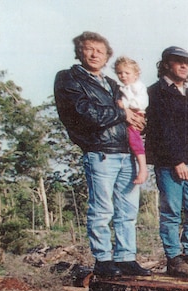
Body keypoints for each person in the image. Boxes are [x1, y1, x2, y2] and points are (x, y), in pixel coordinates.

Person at [54, 31, 151, 277]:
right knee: (102, 209)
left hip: (127, 152)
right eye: (89, 49)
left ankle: (126, 257)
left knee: (128, 210)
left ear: (107, 55)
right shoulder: (70, 79)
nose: (95, 54)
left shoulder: (113, 83)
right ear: (79, 51)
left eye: (100, 50)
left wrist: (138, 120)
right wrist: (123, 114)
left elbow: (130, 112)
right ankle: (103, 259)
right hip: (101, 153)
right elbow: (85, 113)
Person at [145, 46, 188, 277]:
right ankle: (174, 259)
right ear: (166, 64)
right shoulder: (155, 92)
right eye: (178, 61)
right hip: (169, 163)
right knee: (172, 212)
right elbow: (161, 130)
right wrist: (177, 160)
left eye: (186, 62)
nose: (184, 66)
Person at [113, 56, 149, 185]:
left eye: (127, 73)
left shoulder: (137, 87)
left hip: (136, 113)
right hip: (127, 115)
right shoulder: (122, 87)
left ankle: (143, 168)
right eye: (119, 73)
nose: (123, 76)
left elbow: (141, 102)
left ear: (136, 74)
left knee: (134, 140)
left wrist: (125, 105)